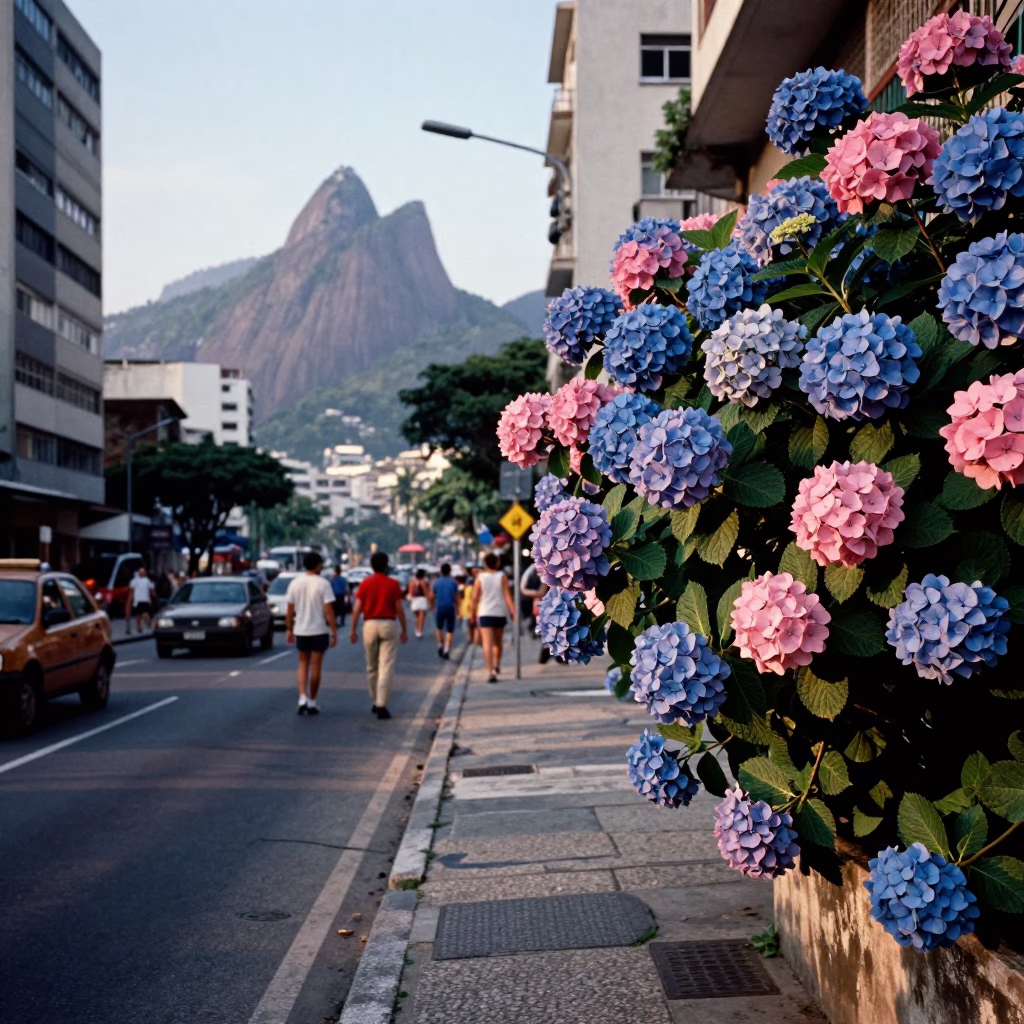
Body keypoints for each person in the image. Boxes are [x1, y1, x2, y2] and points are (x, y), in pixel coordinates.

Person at [350, 551, 407, 719]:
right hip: (388, 624)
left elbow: (357, 608)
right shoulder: (393, 584)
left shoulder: (365, 584)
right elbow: (399, 609)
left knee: (371, 666)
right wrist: (404, 629)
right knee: (386, 666)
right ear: (386, 565)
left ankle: (375, 701)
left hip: (369, 625)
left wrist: (353, 630)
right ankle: (382, 704)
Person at [285, 551, 337, 716]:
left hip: (301, 630)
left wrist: (289, 628)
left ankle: (302, 698)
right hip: (319, 630)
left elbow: (289, 610)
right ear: (317, 565)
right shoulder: (323, 584)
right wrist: (334, 631)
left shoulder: (295, 583)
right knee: (316, 666)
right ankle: (312, 701)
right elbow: (328, 610)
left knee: (302, 664)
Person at [471, 553, 516, 683]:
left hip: (485, 612)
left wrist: (472, 613)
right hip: (499, 612)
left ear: (485, 564)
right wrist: (513, 612)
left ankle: (490, 672)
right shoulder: (502, 576)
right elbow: (507, 596)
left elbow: (475, 597)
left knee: (487, 644)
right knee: (498, 643)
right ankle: (496, 664)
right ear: (497, 563)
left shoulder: (480, 578)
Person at [432, 563, 458, 660]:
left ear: (441, 571)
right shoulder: (453, 582)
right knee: (449, 630)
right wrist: (458, 609)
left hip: (439, 607)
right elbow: (456, 597)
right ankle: (447, 649)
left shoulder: (436, 582)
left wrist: (431, 606)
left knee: (439, 627)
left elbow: (432, 596)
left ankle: (440, 644)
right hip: (450, 607)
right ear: (450, 571)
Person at [129, 567, 156, 635]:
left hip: (141, 600)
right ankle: (140, 627)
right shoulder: (145, 580)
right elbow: (152, 590)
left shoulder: (142, 581)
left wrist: (130, 599)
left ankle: (148, 624)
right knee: (140, 614)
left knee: (141, 614)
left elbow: (132, 590)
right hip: (142, 600)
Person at [407, 568, 432, 639]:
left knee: (417, 617)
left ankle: (417, 629)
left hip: (414, 600)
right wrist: (429, 602)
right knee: (422, 617)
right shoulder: (423, 582)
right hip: (422, 600)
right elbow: (426, 593)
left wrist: (410, 601)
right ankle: (420, 631)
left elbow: (410, 593)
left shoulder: (412, 582)